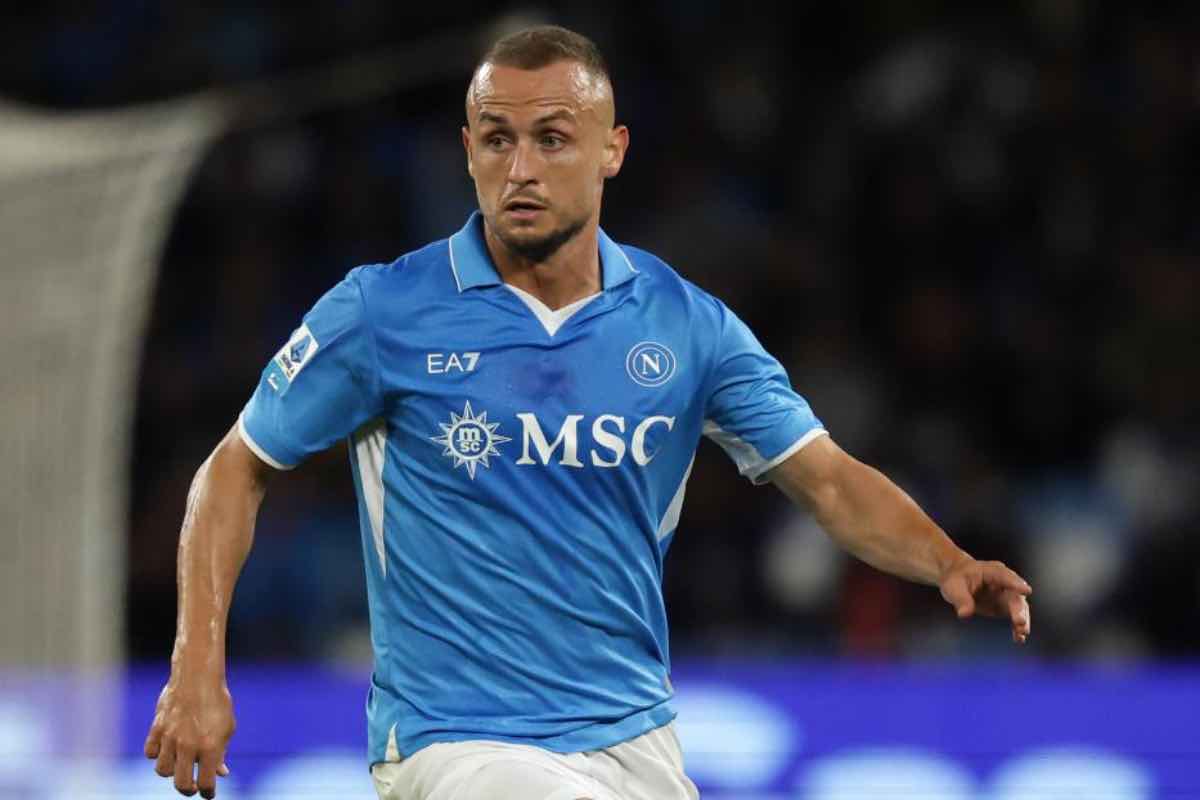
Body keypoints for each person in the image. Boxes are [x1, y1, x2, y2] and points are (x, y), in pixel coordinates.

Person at [143, 24, 1032, 800]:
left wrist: (947, 561)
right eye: (497, 140)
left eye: (552, 139)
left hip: (634, 737)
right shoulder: (384, 311)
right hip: (458, 743)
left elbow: (827, 479)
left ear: (613, 150)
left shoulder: (686, 325)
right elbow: (234, 469)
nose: (520, 169)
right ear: (467, 149)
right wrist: (195, 669)